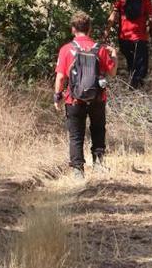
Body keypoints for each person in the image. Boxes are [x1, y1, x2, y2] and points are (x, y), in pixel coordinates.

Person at [55, 12, 118, 180]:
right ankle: (98, 163)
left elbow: (61, 77)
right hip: (98, 97)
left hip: (73, 99)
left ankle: (78, 170)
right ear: (89, 29)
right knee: (98, 130)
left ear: (73, 29)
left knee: (76, 135)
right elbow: (112, 72)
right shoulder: (100, 49)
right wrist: (115, 56)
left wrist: (57, 96)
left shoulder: (67, 49)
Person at [104, 0, 152, 88]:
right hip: (140, 38)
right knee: (141, 65)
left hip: (124, 38)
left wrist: (107, 30)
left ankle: (133, 83)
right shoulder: (145, 0)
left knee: (131, 61)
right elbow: (151, 19)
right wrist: (151, 31)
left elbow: (112, 17)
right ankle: (136, 86)